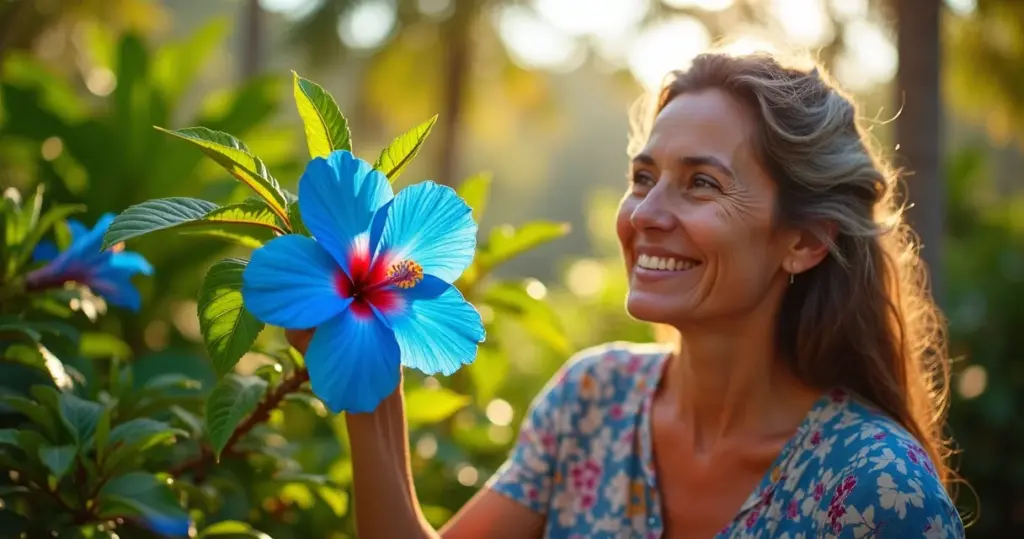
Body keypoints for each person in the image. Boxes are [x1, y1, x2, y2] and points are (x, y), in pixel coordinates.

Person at [288, 50, 966, 538]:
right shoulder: (592, 400)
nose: (644, 214)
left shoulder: (876, 491)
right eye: (644, 177)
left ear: (805, 242)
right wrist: (366, 378)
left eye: (702, 182)